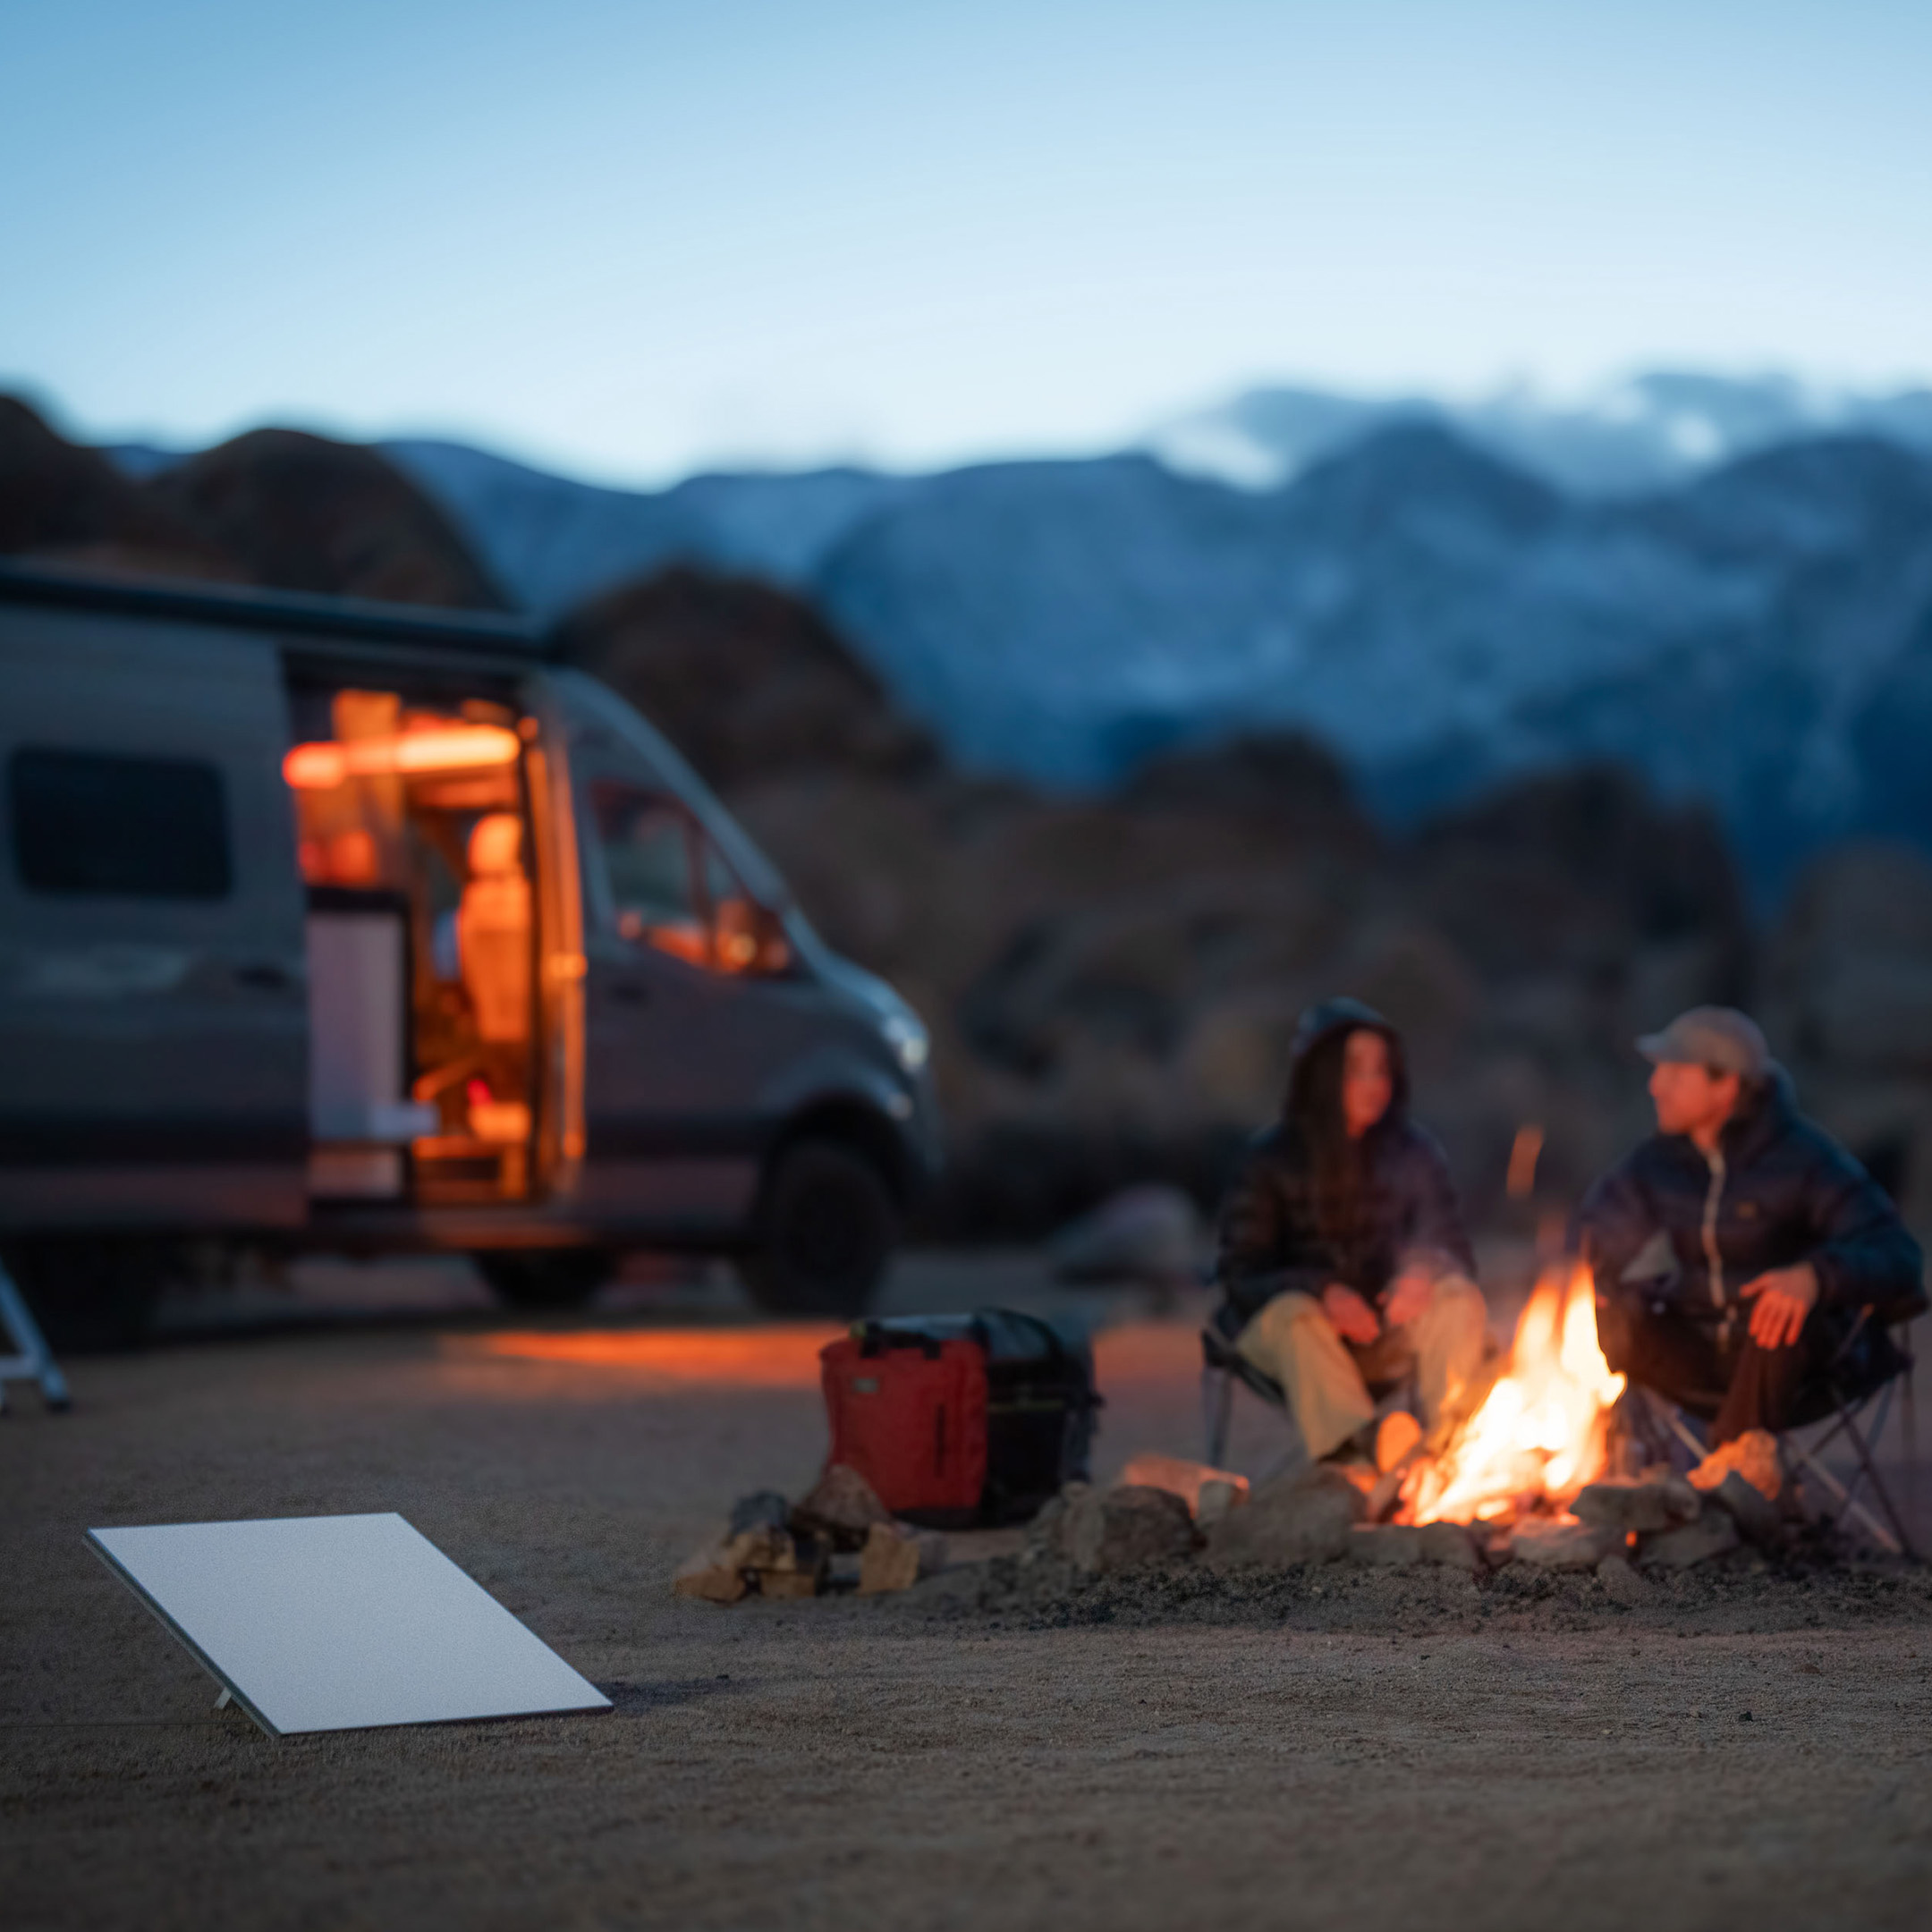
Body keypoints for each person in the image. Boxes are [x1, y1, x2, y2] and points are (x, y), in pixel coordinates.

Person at [1575, 1006, 1925, 1449]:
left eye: (1675, 1074)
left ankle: (1733, 1468)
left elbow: (1899, 1255)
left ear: (1725, 1086)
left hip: (1795, 1364)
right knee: (1620, 1311)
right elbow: (1587, 1232)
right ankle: (1636, 1466)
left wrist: (1815, 1277)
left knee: (1777, 1313)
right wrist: (1613, 1283)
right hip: (1696, 1351)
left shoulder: (1805, 1162)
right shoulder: (1657, 1165)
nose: (1655, 1086)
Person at [1213, 997, 1489, 1466]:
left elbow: (1449, 1242)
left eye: (1382, 1071)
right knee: (1295, 1316)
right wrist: (1323, 1291)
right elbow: (1241, 1275)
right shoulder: (1269, 1160)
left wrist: (1421, 1270)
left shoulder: (1413, 1153)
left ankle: (1455, 1448)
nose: (1375, 1085)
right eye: (1357, 1071)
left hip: (1384, 1327)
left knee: (1457, 1297)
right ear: (1322, 1076)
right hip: (1293, 1336)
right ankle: (1357, 1454)